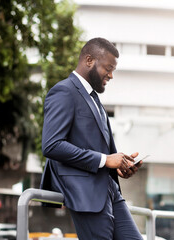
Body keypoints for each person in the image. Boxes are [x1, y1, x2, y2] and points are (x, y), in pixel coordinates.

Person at [40, 37, 144, 239]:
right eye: (108, 68)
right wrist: (105, 160)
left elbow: (97, 146)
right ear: (89, 60)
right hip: (85, 193)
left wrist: (119, 163)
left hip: (110, 189)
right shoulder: (64, 91)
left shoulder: (94, 99)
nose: (111, 75)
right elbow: (52, 145)